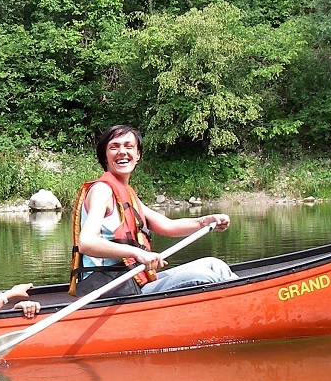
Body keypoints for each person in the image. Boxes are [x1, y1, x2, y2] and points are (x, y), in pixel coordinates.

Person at [70, 124, 237, 298]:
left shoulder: (126, 194)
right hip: (108, 287)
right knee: (205, 277)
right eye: (114, 147)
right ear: (105, 155)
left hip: (131, 281)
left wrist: (204, 222)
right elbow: (87, 243)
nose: (122, 152)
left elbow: (168, 226)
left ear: (138, 155)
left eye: (128, 146)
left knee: (214, 265)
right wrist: (137, 252)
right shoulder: (102, 191)